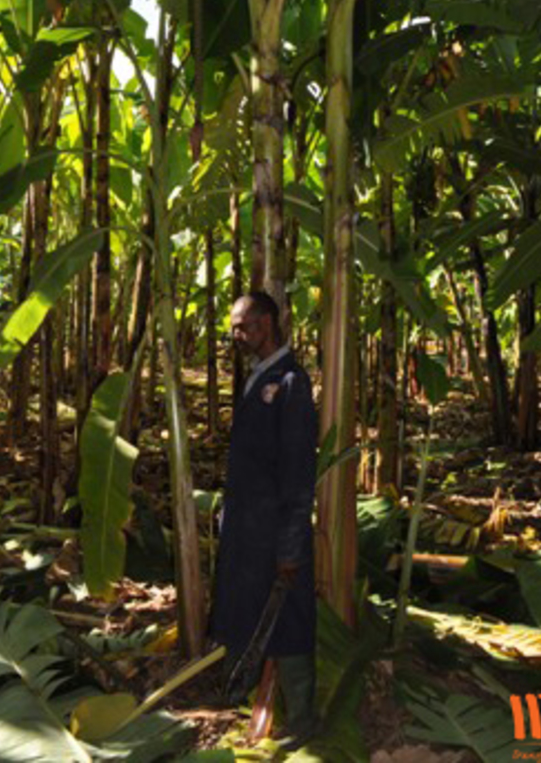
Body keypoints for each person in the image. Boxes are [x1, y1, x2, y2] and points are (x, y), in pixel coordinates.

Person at [211, 291, 317, 743]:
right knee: (247, 607)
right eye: (233, 327)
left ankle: (304, 719)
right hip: (249, 526)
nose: (237, 335)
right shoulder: (258, 377)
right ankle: (243, 694)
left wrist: (291, 542)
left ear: (268, 323)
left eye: (245, 326)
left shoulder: (291, 382)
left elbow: (298, 471)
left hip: (276, 526)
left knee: (288, 617)